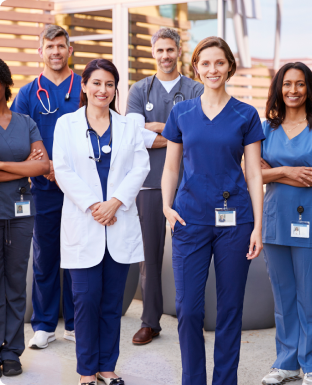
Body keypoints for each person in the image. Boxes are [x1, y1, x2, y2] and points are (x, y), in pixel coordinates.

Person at [160, 36, 264, 385]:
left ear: (230, 67)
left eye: (219, 62)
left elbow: (253, 172)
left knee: (230, 308)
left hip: (236, 221)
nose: (212, 69)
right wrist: (165, 207)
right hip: (189, 219)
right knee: (188, 309)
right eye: (205, 63)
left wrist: (258, 226)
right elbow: (171, 168)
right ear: (196, 68)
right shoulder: (181, 113)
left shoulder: (246, 115)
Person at [52, 58, 150, 385]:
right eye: (96, 83)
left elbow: (140, 167)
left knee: (111, 303)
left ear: (115, 89)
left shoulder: (128, 127)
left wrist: (115, 203)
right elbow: (62, 170)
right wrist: (96, 205)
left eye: (109, 84)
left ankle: (107, 368)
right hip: (86, 222)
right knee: (85, 302)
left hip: (118, 222)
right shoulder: (67, 125)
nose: (103, 90)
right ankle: (85, 373)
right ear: (84, 86)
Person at [260, 62, 312, 385]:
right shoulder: (266, 128)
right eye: (287, 84)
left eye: (300, 84)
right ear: (279, 88)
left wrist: (274, 170)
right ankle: (286, 363)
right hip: (275, 222)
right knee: (283, 297)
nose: (293, 90)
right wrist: (291, 171)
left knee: (310, 297)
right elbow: (252, 173)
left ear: (309, 89)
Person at [126, 27, 204, 346]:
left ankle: (191, 317)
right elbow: (133, 134)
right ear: (152, 52)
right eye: (159, 50)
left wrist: (156, 130)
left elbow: (196, 133)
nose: (165, 56)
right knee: (150, 257)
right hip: (149, 185)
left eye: (170, 50)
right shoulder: (138, 90)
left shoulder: (196, 90)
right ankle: (150, 321)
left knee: (193, 255)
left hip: (189, 185)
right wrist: (173, 132)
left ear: (178, 51)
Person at [10, 25, 81, 348]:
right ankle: (44, 323)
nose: (55, 52)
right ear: (40, 51)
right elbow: (19, 138)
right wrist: (50, 168)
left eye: (60, 46)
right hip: (43, 186)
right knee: (46, 254)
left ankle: (77, 322)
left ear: (70, 50)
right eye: (49, 46)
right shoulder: (27, 93)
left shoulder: (85, 85)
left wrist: (66, 170)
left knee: (81, 253)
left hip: (82, 186)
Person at [0, 59, 50, 377]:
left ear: (4, 83)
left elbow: (43, 166)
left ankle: (11, 352)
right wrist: (21, 167)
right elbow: (31, 165)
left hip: (20, 214)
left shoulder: (25, 121)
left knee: (17, 282)